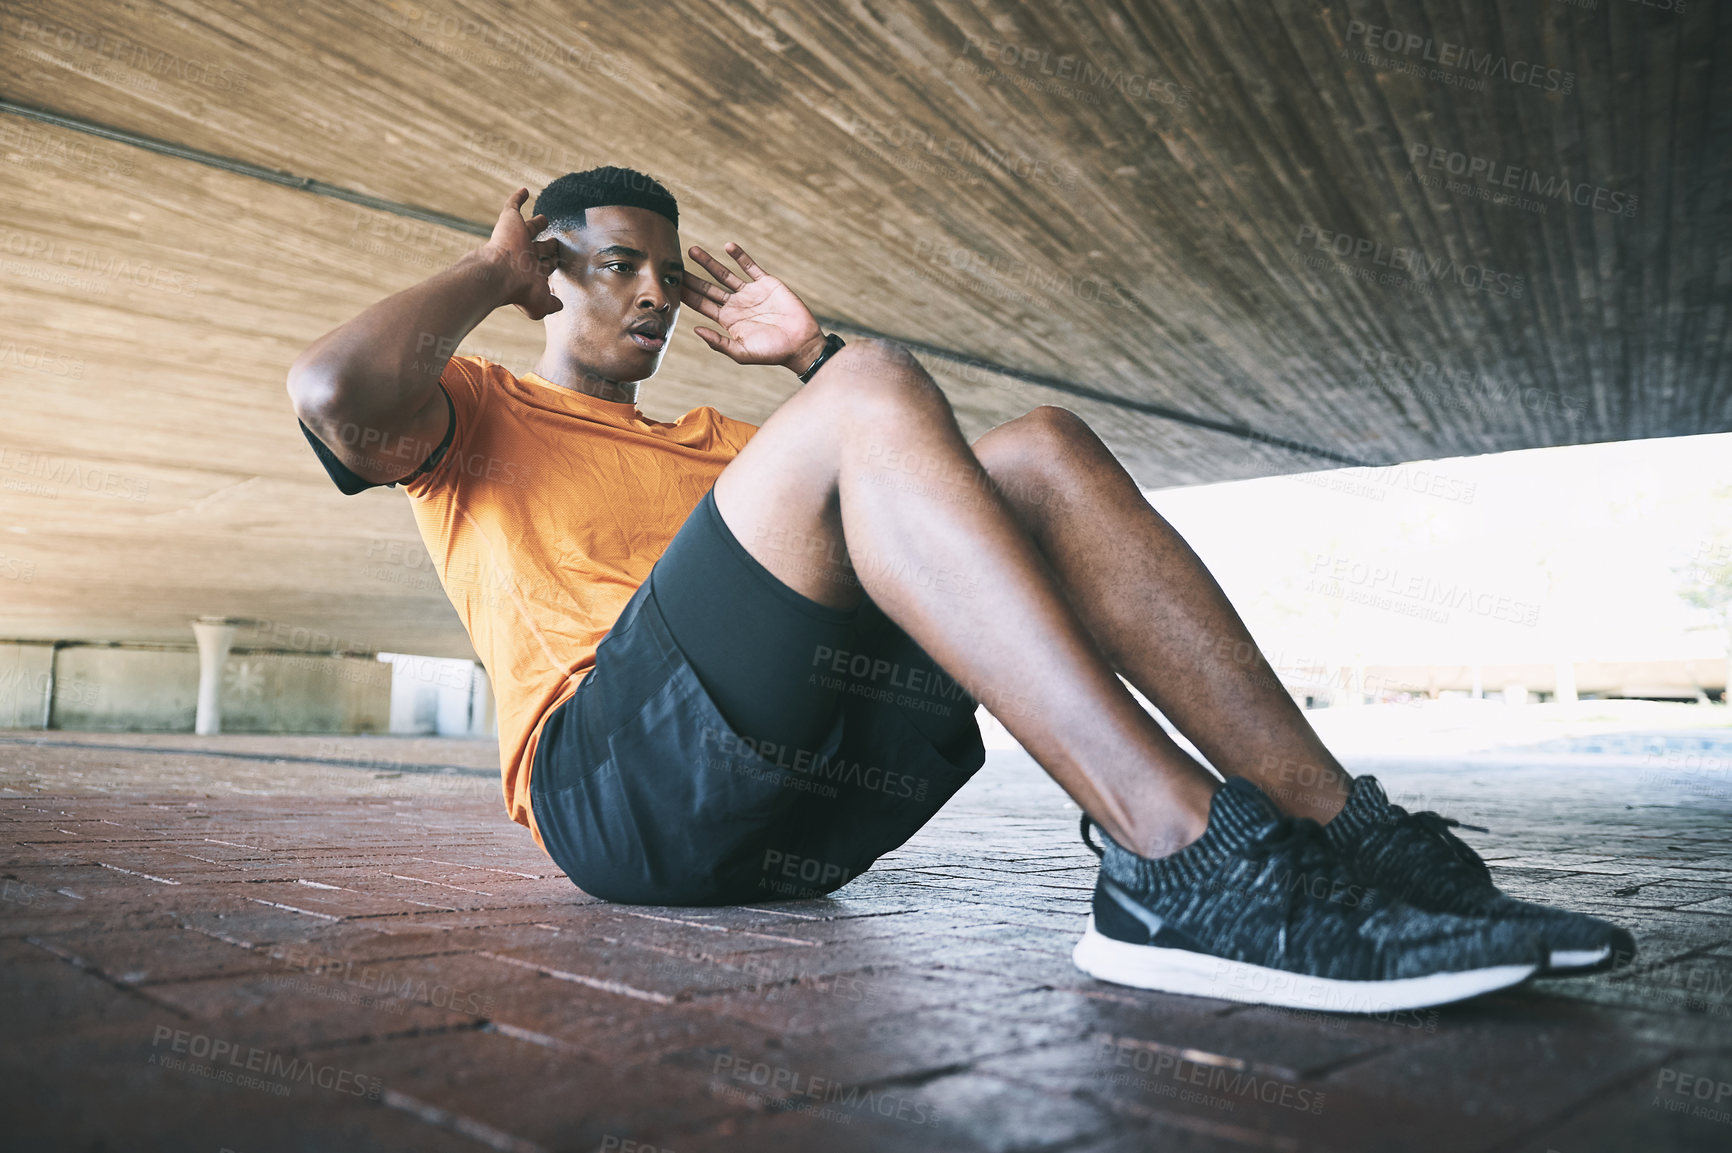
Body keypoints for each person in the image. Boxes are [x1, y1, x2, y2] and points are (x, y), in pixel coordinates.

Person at [287, 167, 1631, 1012]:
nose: (650, 291)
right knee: (875, 394)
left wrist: (813, 355)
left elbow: (911, 512)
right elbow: (335, 395)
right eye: (612, 263)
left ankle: (1343, 835)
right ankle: (1178, 854)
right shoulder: (480, 414)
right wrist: (487, 270)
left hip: (805, 807)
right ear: (552, 277)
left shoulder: (731, 452)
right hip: (620, 801)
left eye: (666, 266)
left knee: (1034, 451)